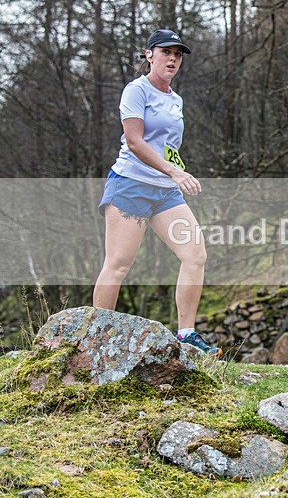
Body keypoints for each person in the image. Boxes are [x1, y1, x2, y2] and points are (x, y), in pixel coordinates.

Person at [93, 29, 221, 357]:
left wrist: (177, 171)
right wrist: (175, 172)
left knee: (195, 254)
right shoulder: (136, 91)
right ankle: (99, 338)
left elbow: (166, 146)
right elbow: (135, 142)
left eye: (178, 55)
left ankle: (187, 334)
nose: (173, 59)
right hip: (131, 185)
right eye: (166, 52)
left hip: (165, 192)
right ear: (150, 55)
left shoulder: (175, 99)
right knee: (119, 263)